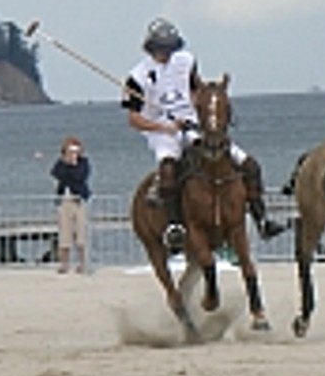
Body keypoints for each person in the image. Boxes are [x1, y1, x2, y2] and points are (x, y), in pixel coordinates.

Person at [122, 17, 286, 250]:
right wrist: (165, 127)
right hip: (162, 132)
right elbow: (134, 119)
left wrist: (204, 113)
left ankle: (262, 220)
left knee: (249, 165)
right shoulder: (137, 77)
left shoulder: (186, 61)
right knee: (169, 170)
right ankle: (175, 226)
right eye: (162, 48)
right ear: (152, 47)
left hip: (192, 125)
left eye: (170, 48)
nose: (166, 53)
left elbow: (195, 90)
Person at [50, 136, 91, 274]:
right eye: (70, 150)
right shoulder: (60, 164)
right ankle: (64, 264)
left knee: (80, 233)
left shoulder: (83, 163)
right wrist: (65, 162)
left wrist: (73, 164)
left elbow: (80, 177)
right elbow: (56, 174)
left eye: (75, 150)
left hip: (78, 199)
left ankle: (82, 263)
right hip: (64, 200)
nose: (73, 153)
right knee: (64, 233)